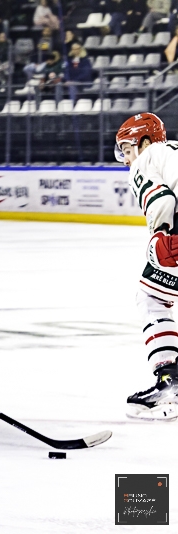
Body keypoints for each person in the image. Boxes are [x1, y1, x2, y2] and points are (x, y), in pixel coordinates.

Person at [114, 113, 178, 421]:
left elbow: (161, 202)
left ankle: (170, 384)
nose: (127, 159)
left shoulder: (148, 158)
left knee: (151, 298)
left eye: (127, 149)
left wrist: (160, 237)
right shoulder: (174, 151)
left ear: (146, 141)